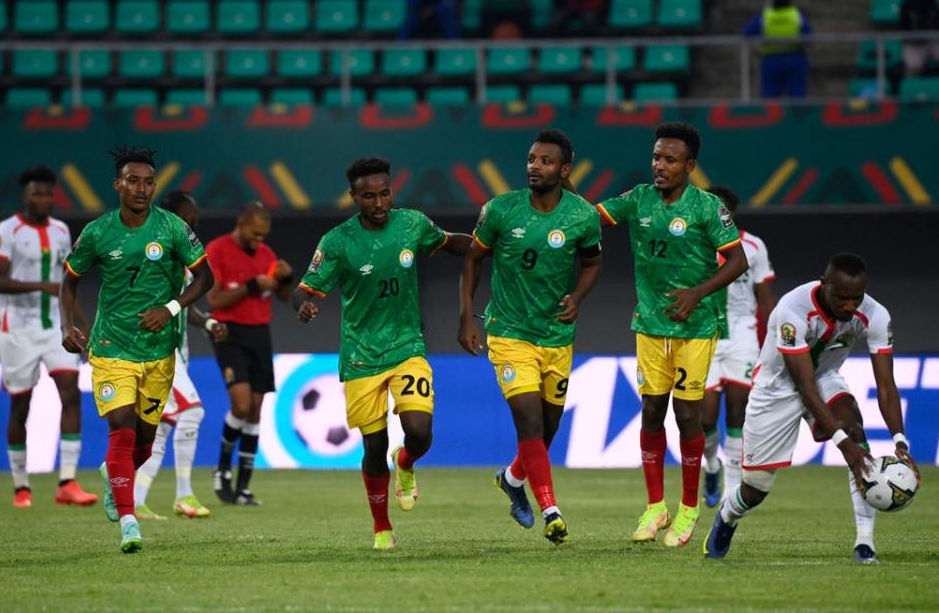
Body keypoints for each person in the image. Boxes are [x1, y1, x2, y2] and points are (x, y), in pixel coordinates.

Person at [294, 157, 471, 551]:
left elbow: (449, 242)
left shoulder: (412, 224)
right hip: (360, 357)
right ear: (353, 197)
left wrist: (486, 245)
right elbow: (303, 289)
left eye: (384, 193)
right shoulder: (337, 242)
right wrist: (303, 305)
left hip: (407, 347)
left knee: (421, 433)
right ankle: (382, 528)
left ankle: (406, 461)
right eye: (368, 196)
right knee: (373, 449)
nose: (378, 202)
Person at [703, 253, 921, 565]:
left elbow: (886, 385)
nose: (849, 306)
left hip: (825, 378)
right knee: (755, 490)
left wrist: (900, 440)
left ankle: (864, 543)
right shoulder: (793, 310)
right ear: (824, 286)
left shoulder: (876, 315)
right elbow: (803, 388)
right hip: (777, 388)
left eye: (856, 299)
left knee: (854, 428)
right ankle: (727, 516)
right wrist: (843, 446)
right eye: (842, 298)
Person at [595, 122, 747, 547]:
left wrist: (697, 293)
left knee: (687, 417)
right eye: (656, 157)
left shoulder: (706, 207)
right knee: (650, 412)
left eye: (670, 159)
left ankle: (689, 509)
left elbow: (737, 262)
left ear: (690, 165)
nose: (660, 165)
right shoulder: (639, 198)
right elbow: (594, 218)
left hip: (695, 328)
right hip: (649, 325)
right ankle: (655, 506)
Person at [60, 146, 213, 553]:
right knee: (122, 429)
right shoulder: (97, 232)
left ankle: (116, 477)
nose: (141, 188)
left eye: (148, 182)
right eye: (133, 180)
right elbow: (69, 280)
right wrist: (69, 325)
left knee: (145, 442)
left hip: (159, 354)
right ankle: (130, 522)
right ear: (118, 184)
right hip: (111, 349)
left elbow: (205, 278)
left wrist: (171, 307)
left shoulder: (173, 228)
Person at [459, 129, 602, 545]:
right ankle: (552, 511)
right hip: (508, 332)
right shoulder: (500, 210)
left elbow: (592, 263)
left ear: (564, 169)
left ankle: (511, 477)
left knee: (548, 429)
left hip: (556, 336)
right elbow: (473, 259)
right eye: (531, 159)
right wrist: (467, 316)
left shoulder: (582, 215)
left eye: (545, 161)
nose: (534, 167)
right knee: (528, 420)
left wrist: (578, 296)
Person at [0, 165, 97, 509]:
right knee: (21, 405)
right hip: (18, 330)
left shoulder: (62, 231)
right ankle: (21, 485)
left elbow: (67, 284)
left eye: (49, 193)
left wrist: (86, 327)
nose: (43, 199)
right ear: (25, 195)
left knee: (70, 393)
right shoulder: (7, 231)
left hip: (56, 327)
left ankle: (67, 480)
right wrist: (42, 285)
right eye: (37, 192)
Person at [134, 191, 228, 520]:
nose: (193, 224)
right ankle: (184, 495)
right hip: (160, 353)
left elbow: (183, 305)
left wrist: (209, 322)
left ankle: (136, 500)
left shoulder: (184, 254)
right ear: (172, 218)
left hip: (178, 352)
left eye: (196, 220)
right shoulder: (158, 253)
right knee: (192, 412)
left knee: (160, 428)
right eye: (188, 219)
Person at [207, 202, 293, 506]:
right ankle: (221, 471)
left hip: (259, 334)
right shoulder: (217, 250)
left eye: (263, 236)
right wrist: (251, 285)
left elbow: (282, 296)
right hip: (228, 332)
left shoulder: (267, 255)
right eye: (255, 235)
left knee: (256, 410)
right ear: (241, 223)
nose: (259, 241)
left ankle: (243, 487)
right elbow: (214, 297)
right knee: (241, 406)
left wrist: (286, 278)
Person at [700, 186, 775, 507]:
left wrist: (773, 343)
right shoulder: (692, 241)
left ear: (732, 213)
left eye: (724, 211)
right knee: (705, 416)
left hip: (743, 335)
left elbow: (765, 299)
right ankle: (712, 465)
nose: (719, 216)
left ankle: (732, 486)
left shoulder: (754, 246)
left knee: (736, 411)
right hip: (703, 335)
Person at [742, 0, 813, 98]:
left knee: (770, 100)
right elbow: (809, 34)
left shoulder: (765, 16)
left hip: (771, 61)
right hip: (795, 59)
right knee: (797, 100)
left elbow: (746, 32)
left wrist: (757, 47)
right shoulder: (796, 15)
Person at [900, 0, 939, 78]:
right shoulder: (907, 6)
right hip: (913, 44)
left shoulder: (933, 5)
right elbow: (904, 29)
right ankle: (912, 90)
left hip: (934, 41)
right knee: (914, 66)